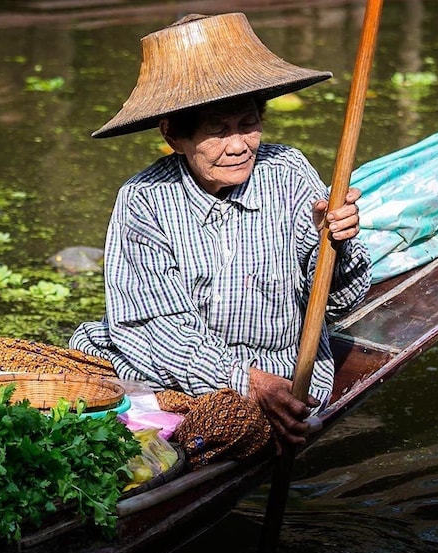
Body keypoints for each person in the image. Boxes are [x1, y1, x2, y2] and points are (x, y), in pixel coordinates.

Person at [67, 12, 371, 450]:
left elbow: (340, 300)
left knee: (224, 423)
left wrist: (337, 243)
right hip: (164, 369)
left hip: (281, 374)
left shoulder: (287, 172)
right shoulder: (144, 199)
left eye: (248, 124)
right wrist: (242, 379)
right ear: (175, 136)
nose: (239, 145)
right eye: (218, 130)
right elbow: (153, 329)